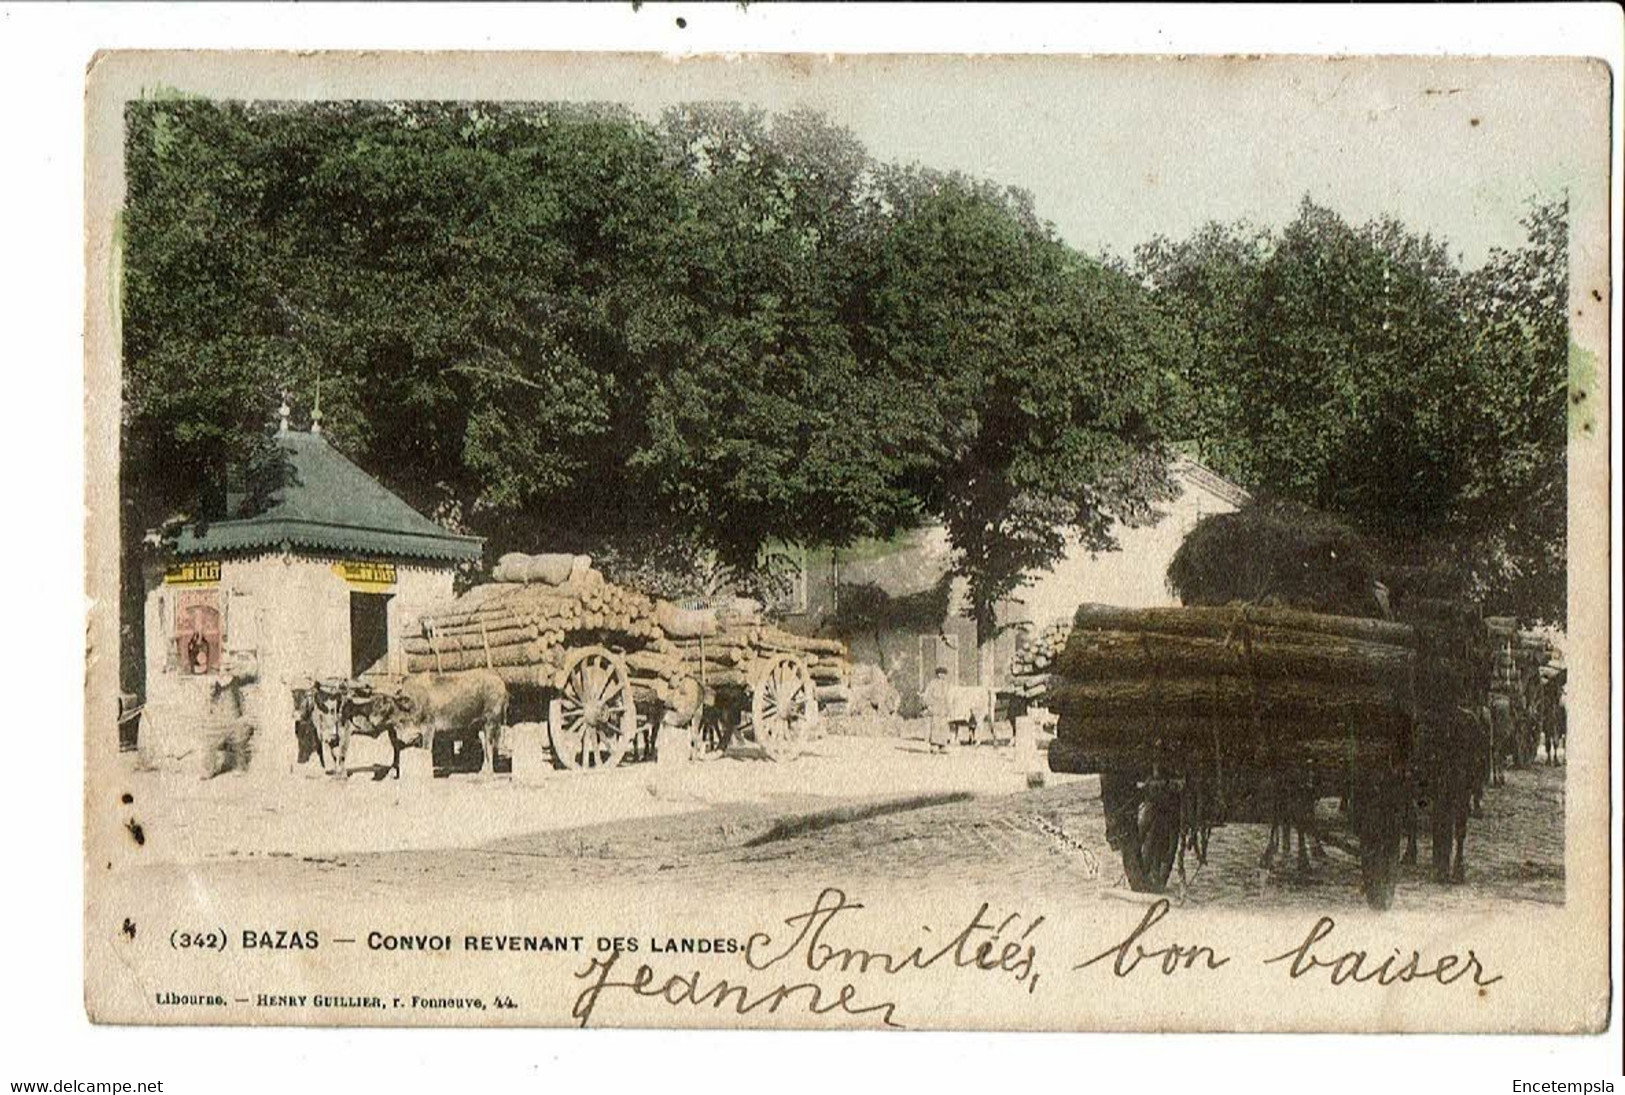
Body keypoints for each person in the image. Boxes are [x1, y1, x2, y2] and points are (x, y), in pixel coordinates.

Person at [921, 665, 952, 754]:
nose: (942, 676)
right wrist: (928, 705)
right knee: (935, 726)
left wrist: (949, 708)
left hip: (943, 708)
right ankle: (934, 745)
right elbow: (927, 695)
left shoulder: (947, 685)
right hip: (935, 707)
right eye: (940, 673)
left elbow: (948, 697)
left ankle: (942, 745)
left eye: (944, 674)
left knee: (944, 726)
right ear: (937, 674)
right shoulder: (932, 683)